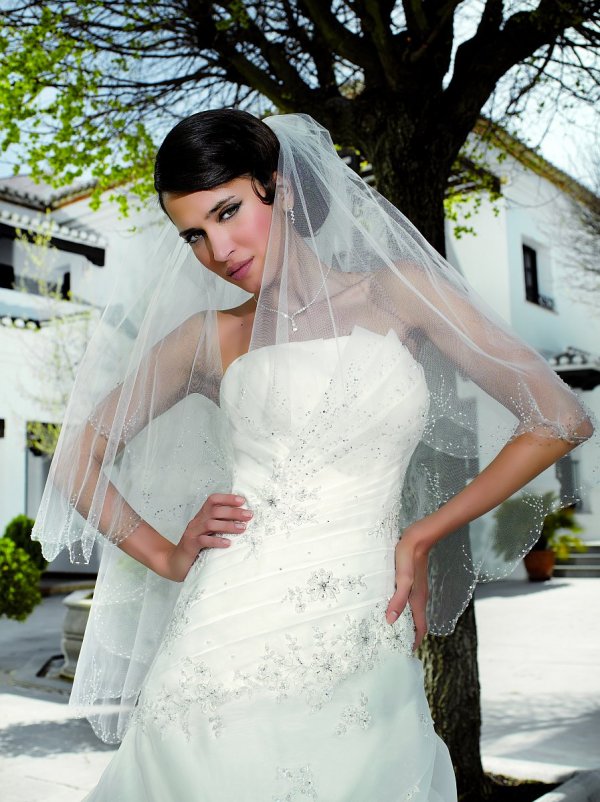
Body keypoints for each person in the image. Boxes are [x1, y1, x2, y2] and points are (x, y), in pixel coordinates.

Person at [33, 110, 595, 801]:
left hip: (362, 617)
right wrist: (169, 557)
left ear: (284, 187)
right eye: (194, 235)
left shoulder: (398, 292)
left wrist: (423, 534)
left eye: (228, 211)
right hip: (222, 631)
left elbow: (559, 417)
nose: (218, 249)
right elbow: (77, 459)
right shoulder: (207, 337)